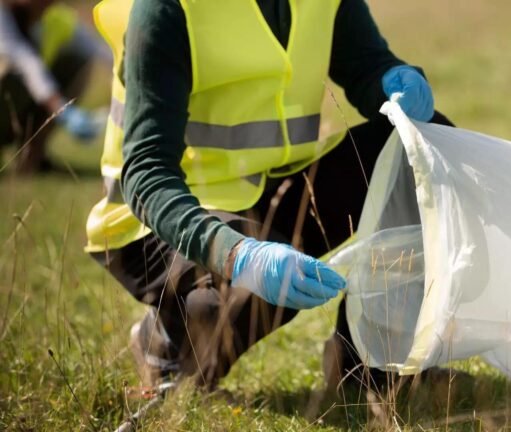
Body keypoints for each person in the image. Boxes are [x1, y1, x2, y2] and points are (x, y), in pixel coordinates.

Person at [85, 0, 453, 392]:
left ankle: (369, 369)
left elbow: (365, 65)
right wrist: (236, 254)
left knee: (423, 148)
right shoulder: (166, 9)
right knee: (246, 296)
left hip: (267, 192)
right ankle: (164, 347)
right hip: (159, 219)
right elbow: (147, 175)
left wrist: (391, 78)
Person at [0, 0, 110, 173]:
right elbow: (26, 63)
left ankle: (32, 159)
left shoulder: (52, 17)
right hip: (9, 97)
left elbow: (95, 48)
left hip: (29, 96)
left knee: (75, 60)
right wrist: (62, 109)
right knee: (8, 70)